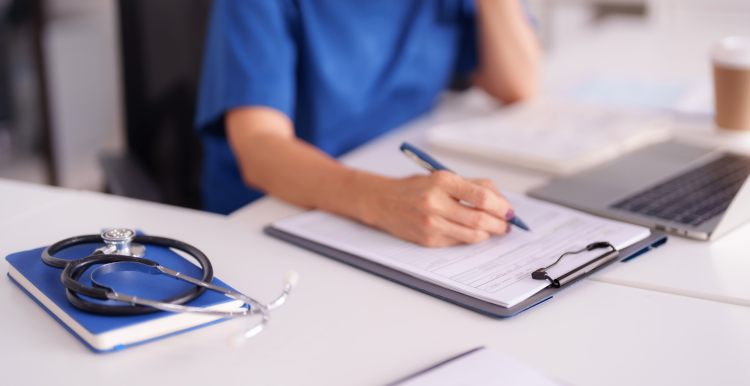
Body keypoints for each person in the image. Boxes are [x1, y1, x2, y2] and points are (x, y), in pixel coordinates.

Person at [195, 0, 540, 247]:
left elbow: (516, 84)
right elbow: (259, 148)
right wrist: (381, 200)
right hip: (278, 209)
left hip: (395, 173)